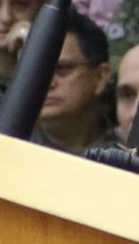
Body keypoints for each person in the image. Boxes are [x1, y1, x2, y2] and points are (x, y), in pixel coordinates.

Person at [27, 20, 113, 155]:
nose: (47, 83)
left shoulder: (128, 154)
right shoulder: (6, 142)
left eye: (62, 69)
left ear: (100, 77)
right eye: (36, 70)